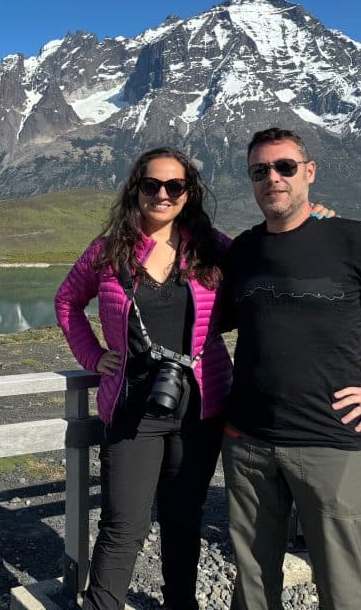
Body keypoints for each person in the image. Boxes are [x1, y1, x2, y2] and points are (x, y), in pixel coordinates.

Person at [220, 127, 361, 610]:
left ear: (309, 172)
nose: (273, 178)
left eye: (284, 167)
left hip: (331, 441)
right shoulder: (242, 251)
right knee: (253, 581)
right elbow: (209, 318)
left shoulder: (350, 239)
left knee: (341, 586)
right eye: (260, 170)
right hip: (247, 440)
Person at [54, 146, 233, 610]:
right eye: (151, 184)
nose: (162, 194)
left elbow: (272, 263)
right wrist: (93, 356)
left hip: (199, 406)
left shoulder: (212, 247)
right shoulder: (110, 249)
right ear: (136, 189)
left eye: (175, 186)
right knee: (123, 525)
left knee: (183, 519)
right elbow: (67, 301)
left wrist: (316, 225)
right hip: (132, 405)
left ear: (189, 193)